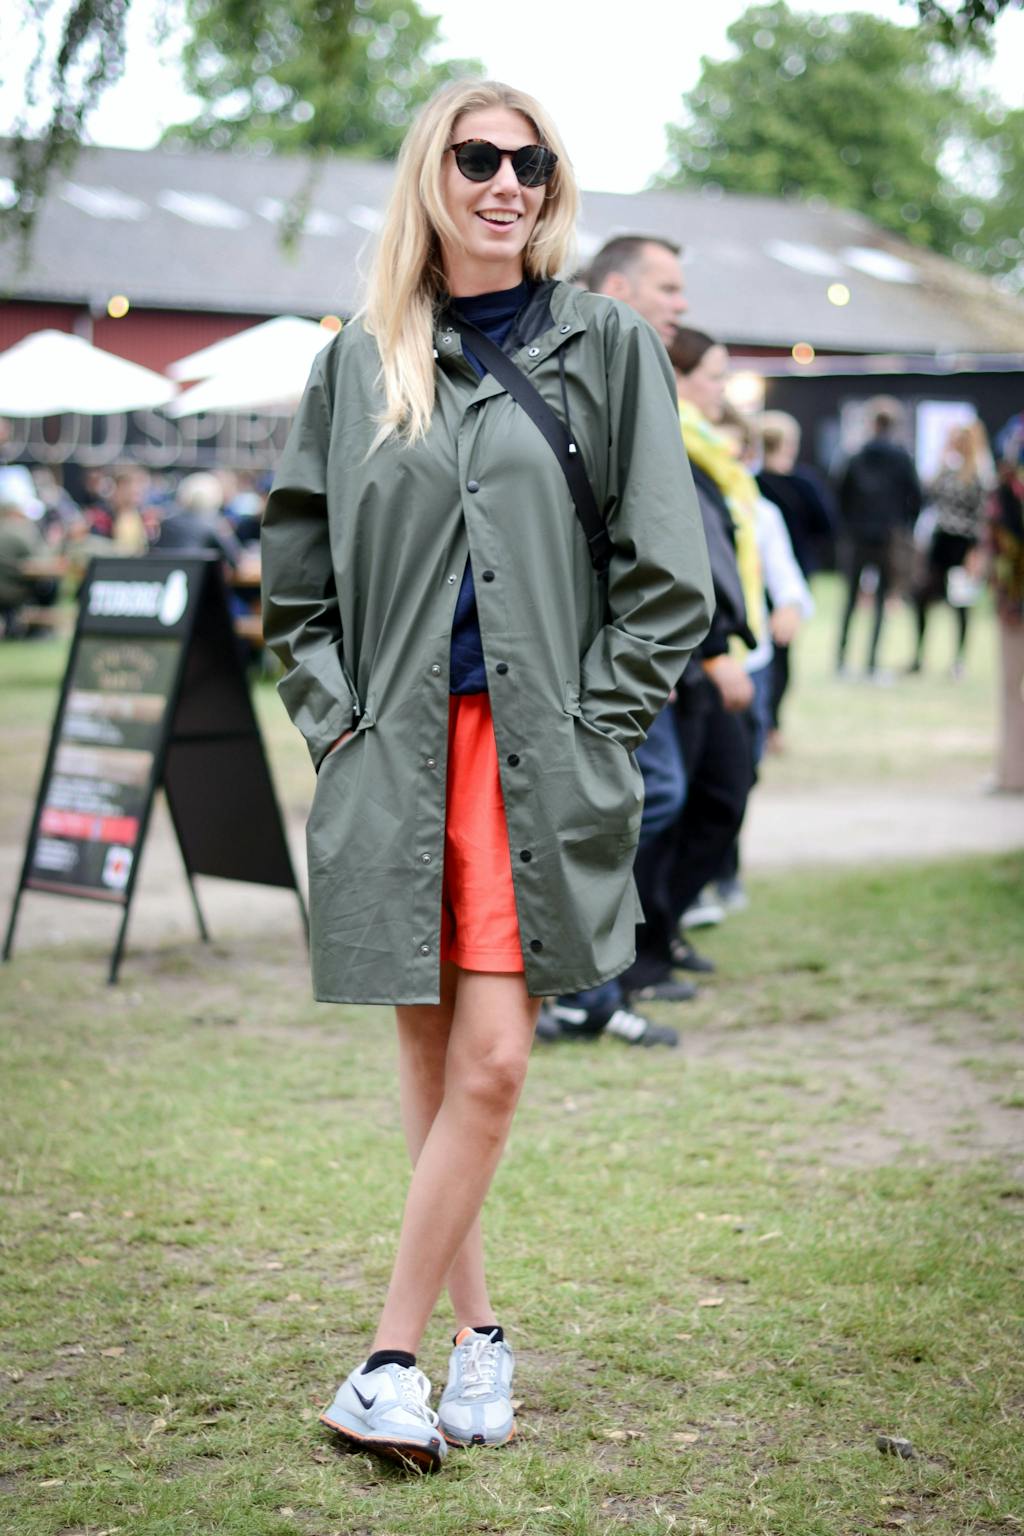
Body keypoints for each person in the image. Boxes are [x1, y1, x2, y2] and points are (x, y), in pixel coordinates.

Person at [260, 79, 712, 1472]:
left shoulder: (605, 343)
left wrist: (596, 724)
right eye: (478, 157)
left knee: (498, 1058)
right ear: (433, 174)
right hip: (395, 754)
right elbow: (295, 581)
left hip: (528, 756)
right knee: (429, 1051)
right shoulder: (358, 363)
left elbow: (668, 575)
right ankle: (479, 1338)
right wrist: (335, 718)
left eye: (531, 162)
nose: (507, 182)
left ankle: (386, 1359)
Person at [548, 234, 701, 1048]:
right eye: (666, 287)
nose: (682, 303)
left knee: (627, 807)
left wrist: (649, 651)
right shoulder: (576, 370)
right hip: (577, 656)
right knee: (609, 810)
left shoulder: (629, 370)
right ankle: (584, 990)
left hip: (621, 659)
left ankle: (596, 986)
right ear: (616, 286)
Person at [621, 327, 759, 997]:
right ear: (677, 378)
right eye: (714, 375)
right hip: (688, 651)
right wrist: (709, 649)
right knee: (676, 798)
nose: (722, 391)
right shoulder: (664, 440)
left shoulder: (707, 451)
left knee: (713, 794)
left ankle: (658, 934)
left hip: (710, 646)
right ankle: (631, 956)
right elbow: (674, 553)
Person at [755, 410, 835, 750]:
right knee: (780, 653)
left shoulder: (753, 481)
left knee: (764, 651)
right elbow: (827, 525)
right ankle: (770, 724)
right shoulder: (803, 484)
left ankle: (766, 723)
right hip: (785, 576)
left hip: (772, 577)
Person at [836, 398, 921, 679]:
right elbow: (916, 498)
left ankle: (841, 659)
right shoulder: (902, 459)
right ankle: (871, 663)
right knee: (882, 599)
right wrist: (902, 525)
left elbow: (840, 494)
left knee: (850, 598)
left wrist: (850, 524)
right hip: (888, 537)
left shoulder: (856, 456)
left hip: (858, 535)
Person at [909, 419, 991, 678]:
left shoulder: (978, 475)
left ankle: (959, 660)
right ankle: (919, 655)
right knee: (922, 597)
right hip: (941, 540)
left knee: (961, 603)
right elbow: (929, 493)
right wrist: (942, 458)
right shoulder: (947, 469)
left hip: (963, 544)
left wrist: (974, 553)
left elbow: (981, 517)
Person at [984, 417, 1024, 792]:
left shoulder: (1005, 492)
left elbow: (995, 548)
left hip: (1014, 602)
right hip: (1014, 601)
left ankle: (1013, 774)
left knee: (1012, 690)